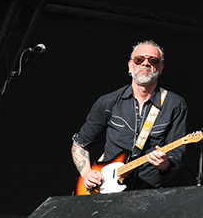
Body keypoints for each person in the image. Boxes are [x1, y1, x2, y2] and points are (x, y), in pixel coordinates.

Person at [72, 40, 188, 191]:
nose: (145, 63)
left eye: (153, 60)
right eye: (139, 59)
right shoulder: (109, 102)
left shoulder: (174, 104)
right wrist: (87, 173)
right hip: (107, 190)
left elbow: (177, 154)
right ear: (130, 66)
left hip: (149, 191)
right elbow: (80, 143)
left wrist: (165, 163)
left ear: (160, 68)